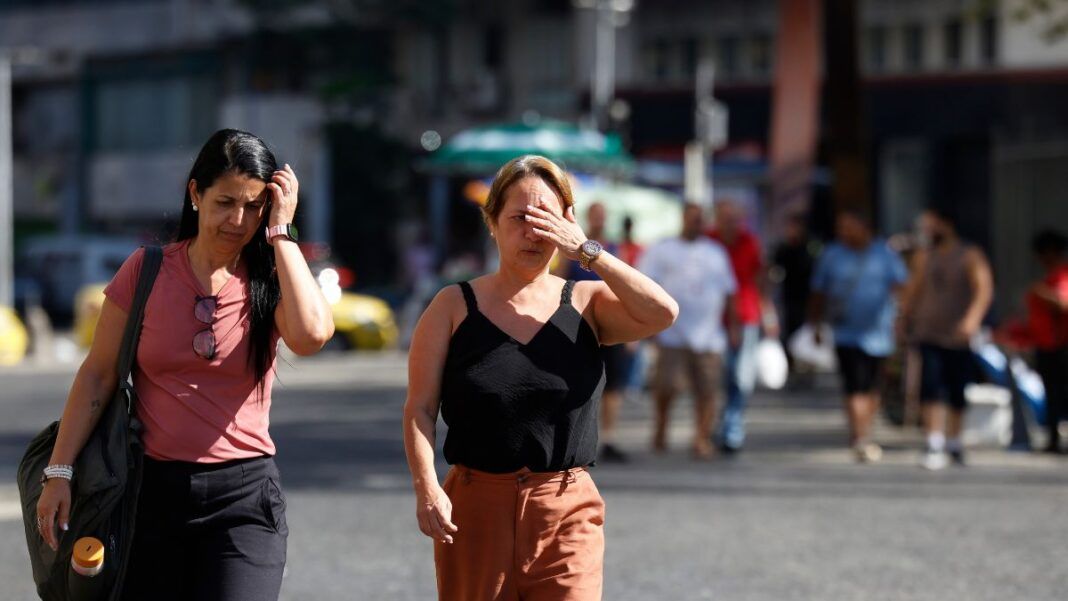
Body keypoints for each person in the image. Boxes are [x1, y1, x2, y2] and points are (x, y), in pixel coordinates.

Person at [34, 129, 335, 600]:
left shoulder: (272, 277)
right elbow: (98, 374)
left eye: (254, 206)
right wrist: (60, 472)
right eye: (225, 202)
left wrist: (282, 232)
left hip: (244, 500)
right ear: (196, 194)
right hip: (149, 496)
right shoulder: (146, 270)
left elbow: (312, 335)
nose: (238, 220)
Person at [402, 155, 677, 600]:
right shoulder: (452, 306)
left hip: (566, 510)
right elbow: (420, 408)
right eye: (519, 218)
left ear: (567, 222)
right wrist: (426, 486)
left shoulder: (587, 302)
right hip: (475, 508)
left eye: (546, 219)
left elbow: (662, 313)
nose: (533, 233)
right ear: (492, 221)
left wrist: (588, 252)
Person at [808, 210, 908, 462]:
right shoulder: (832, 254)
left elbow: (902, 287)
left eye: (849, 227)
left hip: (879, 335)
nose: (844, 233)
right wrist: (815, 325)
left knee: (872, 386)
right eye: (841, 228)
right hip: (845, 333)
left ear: (865, 228)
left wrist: (903, 320)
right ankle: (860, 436)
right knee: (854, 385)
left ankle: (865, 430)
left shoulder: (885, 254)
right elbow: (818, 291)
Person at [640, 204, 738, 458]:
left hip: (708, 337)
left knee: (707, 390)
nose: (697, 223)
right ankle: (661, 429)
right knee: (667, 387)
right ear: (683, 219)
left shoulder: (716, 252)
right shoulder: (663, 249)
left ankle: (701, 438)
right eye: (693, 219)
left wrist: (733, 326)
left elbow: (729, 292)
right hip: (671, 333)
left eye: (700, 219)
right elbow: (644, 284)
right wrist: (647, 323)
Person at [900, 207, 993, 470]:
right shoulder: (924, 256)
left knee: (956, 390)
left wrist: (972, 319)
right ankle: (934, 441)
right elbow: (912, 290)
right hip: (928, 332)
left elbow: (984, 289)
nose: (927, 230)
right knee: (931, 388)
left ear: (946, 224)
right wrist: (903, 318)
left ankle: (954, 440)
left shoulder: (969, 254)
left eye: (931, 225)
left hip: (958, 336)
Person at [556, 202, 631, 462]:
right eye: (595, 215)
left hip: (610, 323)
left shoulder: (615, 249)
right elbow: (559, 280)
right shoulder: (572, 249)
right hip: (577, 323)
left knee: (613, 384)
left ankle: (608, 437)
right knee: (574, 381)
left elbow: (627, 285)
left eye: (602, 215)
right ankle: (574, 435)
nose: (599, 220)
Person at [707, 199, 778, 453]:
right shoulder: (708, 242)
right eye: (726, 219)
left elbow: (760, 281)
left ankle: (732, 429)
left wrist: (768, 314)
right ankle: (712, 426)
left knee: (740, 378)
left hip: (747, 317)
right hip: (713, 321)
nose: (731, 224)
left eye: (735, 220)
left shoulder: (750, 242)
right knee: (715, 378)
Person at [1026, 229, 1068, 454]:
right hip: (1046, 345)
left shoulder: (1061, 276)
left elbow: (1063, 303)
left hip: (1061, 346)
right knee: (1052, 393)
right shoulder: (1049, 278)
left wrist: (1042, 293)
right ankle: (1053, 439)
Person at [771, 212, 818, 369]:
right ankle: (791, 363)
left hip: (807, 299)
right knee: (789, 331)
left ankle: (805, 362)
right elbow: (774, 271)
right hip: (788, 299)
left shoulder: (810, 248)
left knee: (805, 332)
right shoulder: (783, 249)